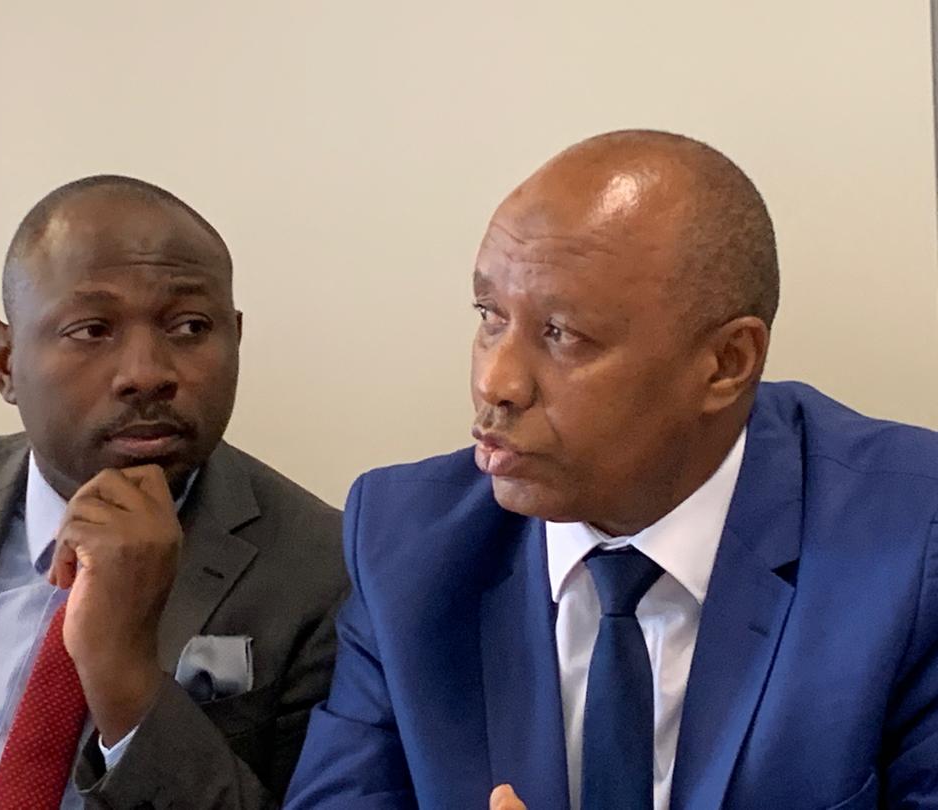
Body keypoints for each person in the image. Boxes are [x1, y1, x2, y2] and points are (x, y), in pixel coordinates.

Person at [285, 130, 938, 809]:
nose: (496, 382)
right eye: (490, 316)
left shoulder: (910, 542)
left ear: (726, 363)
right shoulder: (406, 544)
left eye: (562, 333)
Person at [0, 176, 345, 810]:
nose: (146, 373)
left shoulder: (325, 572)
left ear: (236, 339)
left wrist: (125, 677)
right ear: (4, 361)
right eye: (91, 330)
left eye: (191, 326)